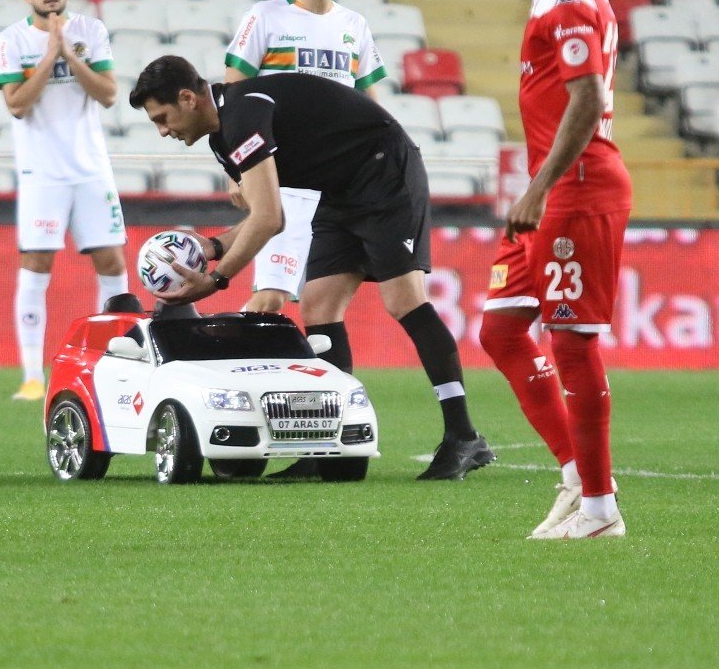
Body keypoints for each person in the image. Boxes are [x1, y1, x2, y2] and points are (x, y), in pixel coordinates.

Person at [129, 57, 495, 480]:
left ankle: (463, 436)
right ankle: (326, 447)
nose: (163, 130)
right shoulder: (222, 136)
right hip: (340, 192)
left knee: (404, 301)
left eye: (162, 117)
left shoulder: (243, 114)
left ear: (188, 99)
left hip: (384, 170)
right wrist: (209, 246)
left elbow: (268, 218)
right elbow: (268, 215)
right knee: (319, 306)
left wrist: (214, 280)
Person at [478, 0, 632, 538]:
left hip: (575, 185)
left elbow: (587, 96)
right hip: (556, 188)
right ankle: (577, 475)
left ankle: (598, 509)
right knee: (501, 329)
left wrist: (537, 187)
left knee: (569, 341)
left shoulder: (564, 0)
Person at [223, 0, 387, 316]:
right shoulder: (265, 18)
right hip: (286, 179)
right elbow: (233, 96)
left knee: (326, 306)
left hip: (338, 188)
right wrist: (234, 169)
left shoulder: (356, 26)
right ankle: (228, 366)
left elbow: (371, 108)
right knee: (270, 299)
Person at [0, 0, 128, 401]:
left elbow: (109, 95)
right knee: (36, 265)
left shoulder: (91, 32)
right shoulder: (10, 41)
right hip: (42, 173)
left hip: (90, 169)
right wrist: (50, 57)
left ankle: (107, 364)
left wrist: (70, 52)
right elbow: (17, 104)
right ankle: (32, 376)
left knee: (111, 262)